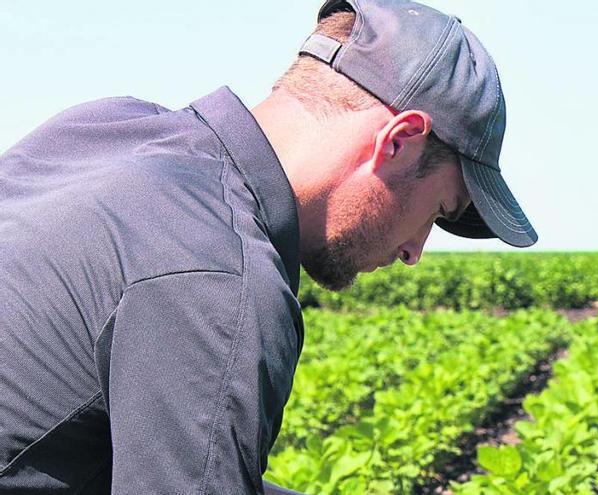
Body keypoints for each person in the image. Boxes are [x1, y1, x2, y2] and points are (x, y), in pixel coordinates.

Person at [0, 0, 536, 493]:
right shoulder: (222, 285)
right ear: (398, 141)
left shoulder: (103, 128)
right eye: (437, 212)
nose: (414, 252)